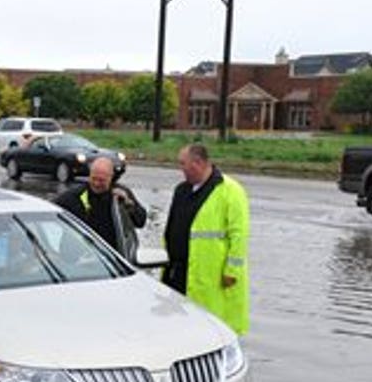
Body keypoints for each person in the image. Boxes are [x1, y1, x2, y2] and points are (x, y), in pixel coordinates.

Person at [161, 144, 250, 336]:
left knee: (211, 327)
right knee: (178, 326)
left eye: (183, 164)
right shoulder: (181, 190)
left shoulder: (230, 191)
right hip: (178, 272)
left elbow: (239, 234)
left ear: (198, 163)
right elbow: (172, 227)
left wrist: (232, 270)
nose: (180, 168)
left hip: (211, 275)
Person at [54, 156, 146, 249]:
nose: (96, 184)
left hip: (109, 256)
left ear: (111, 177)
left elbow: (141, 221)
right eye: (94, 178)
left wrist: (128, 204)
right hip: (77, 254)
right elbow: (49, 211)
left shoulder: (120, 195)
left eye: (102, 180)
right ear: (89, 175)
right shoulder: (75, 195)